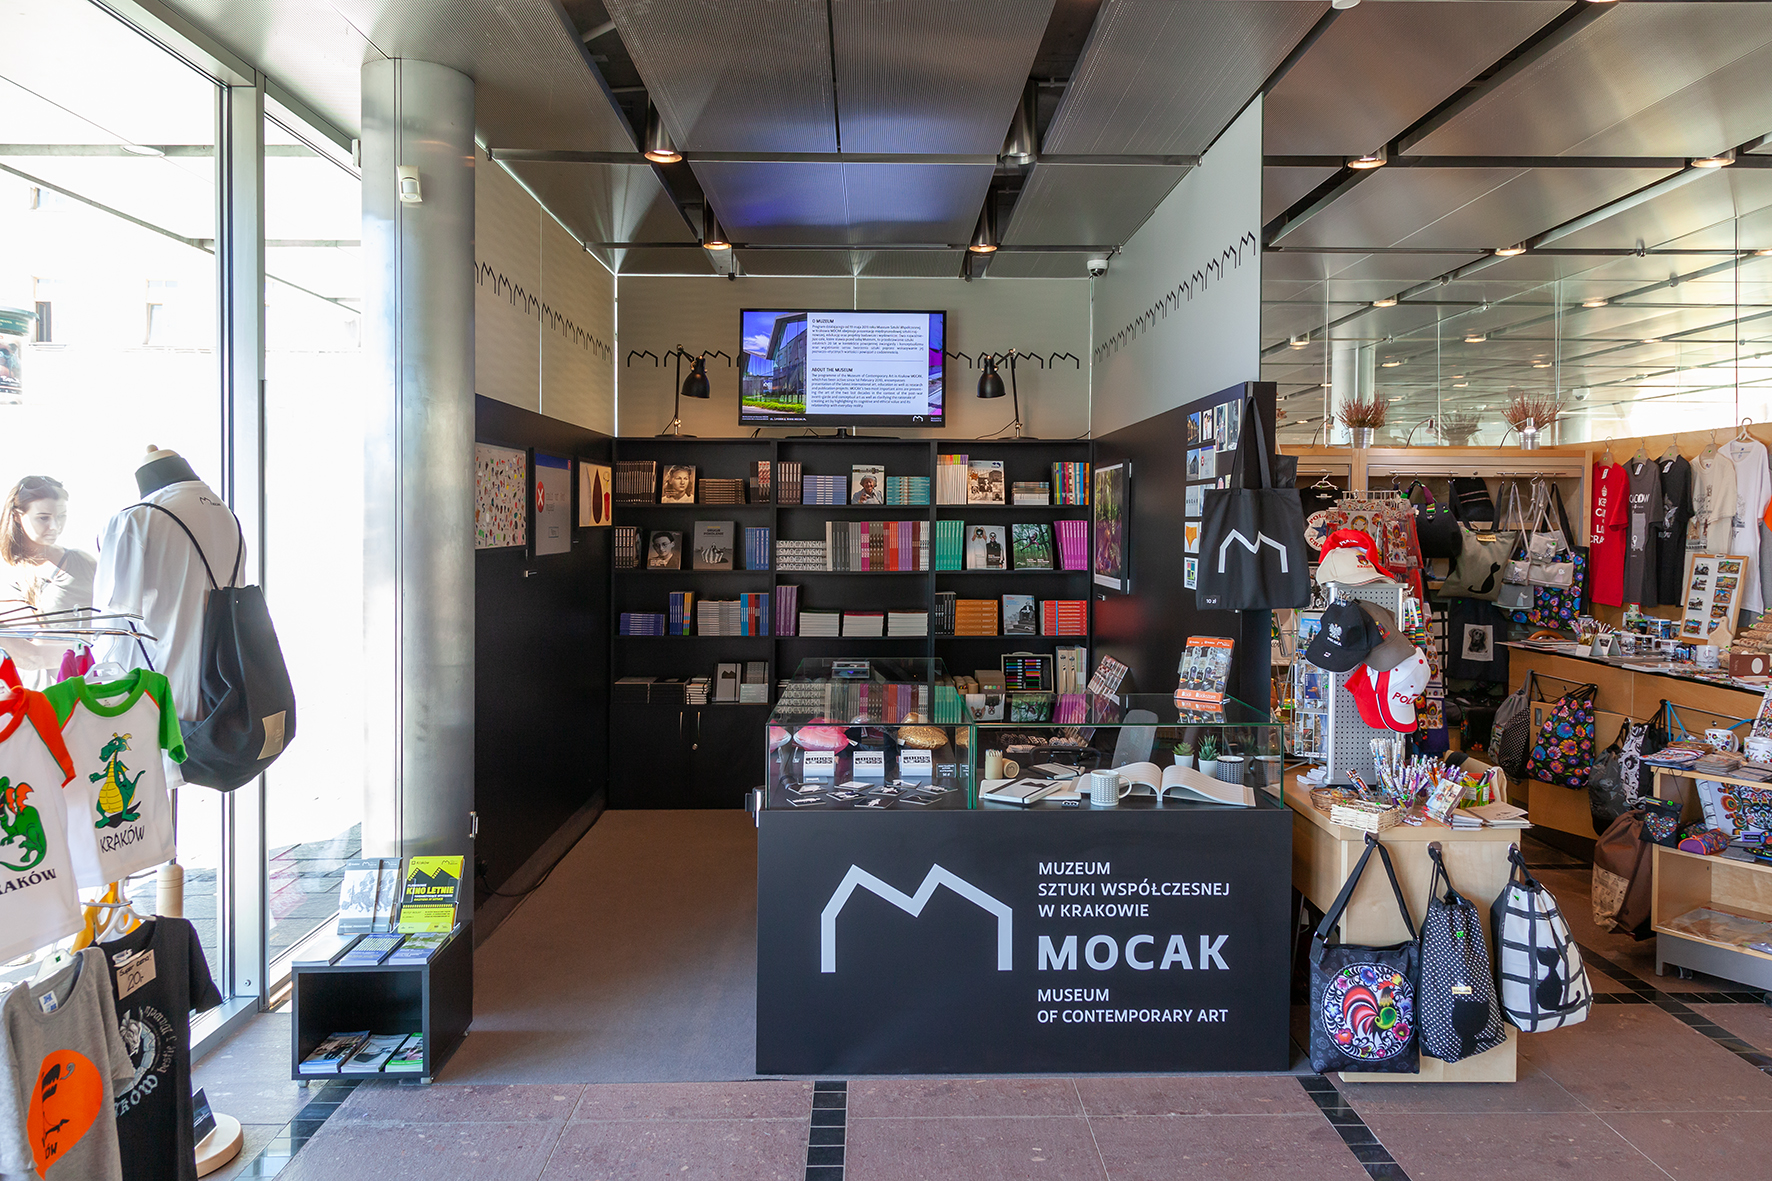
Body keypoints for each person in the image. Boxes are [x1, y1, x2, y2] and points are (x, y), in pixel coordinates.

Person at [0, 475, 97, 684]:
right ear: (17, 516)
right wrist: (92, 641)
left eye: (61, 516)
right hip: (42, 698)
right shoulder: (9, 575)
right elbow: (32, 656)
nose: (55, 526)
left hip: (92, 690)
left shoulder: (82, 562)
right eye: (43, 518)